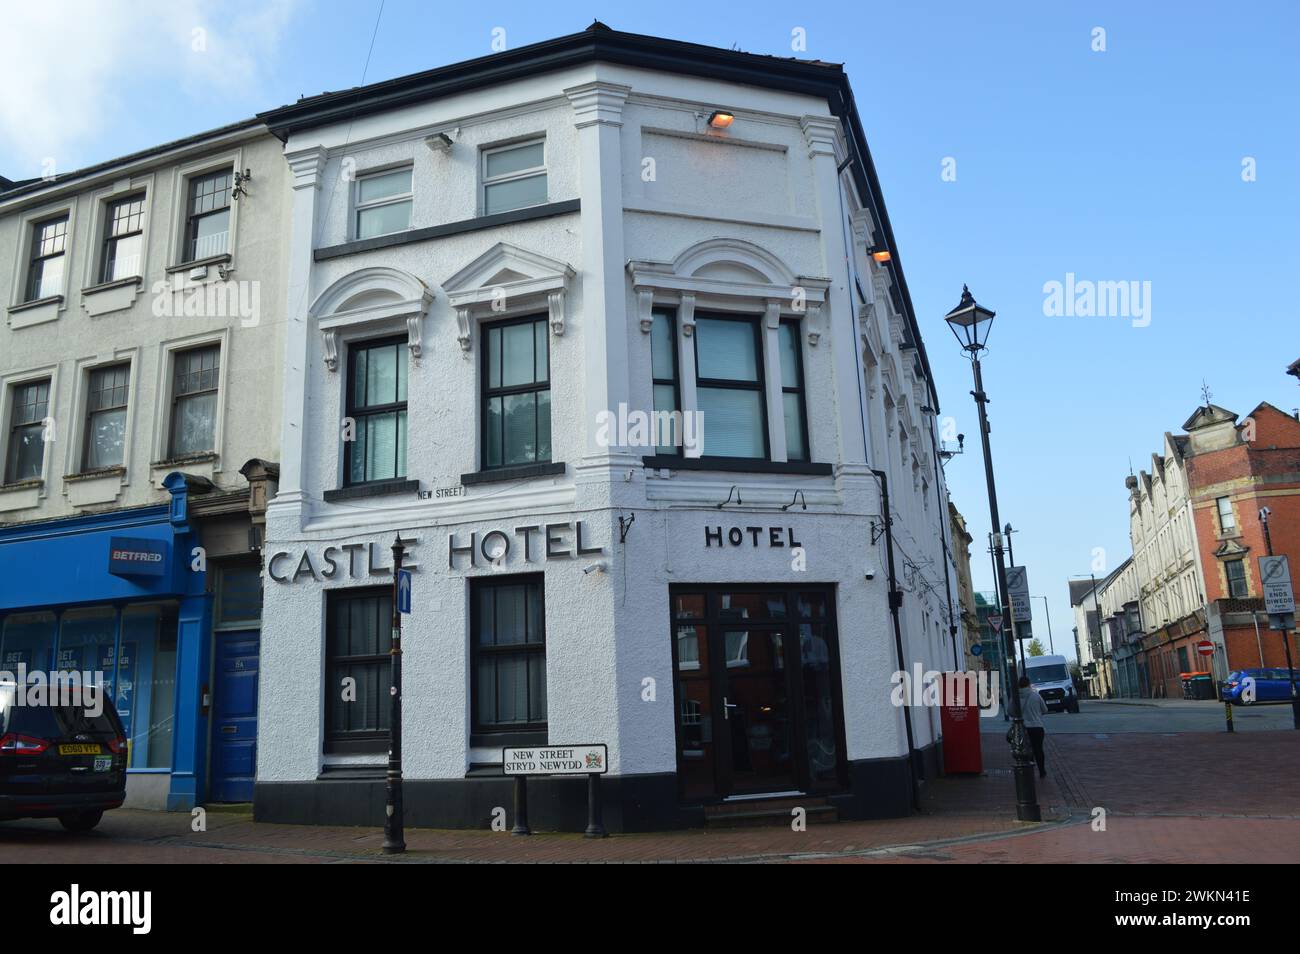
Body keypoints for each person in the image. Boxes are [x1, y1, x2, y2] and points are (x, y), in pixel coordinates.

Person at [1018, 675, 1048, 778]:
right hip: (1037, 727)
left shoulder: (1015, 697)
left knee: (1026, 749)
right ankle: (1042, 770)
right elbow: (1045, 710)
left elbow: (1010, 711)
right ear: (1029, 684)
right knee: (1038, 749)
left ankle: (1029, 770)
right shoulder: (1036, 695)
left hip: (1023, 728)